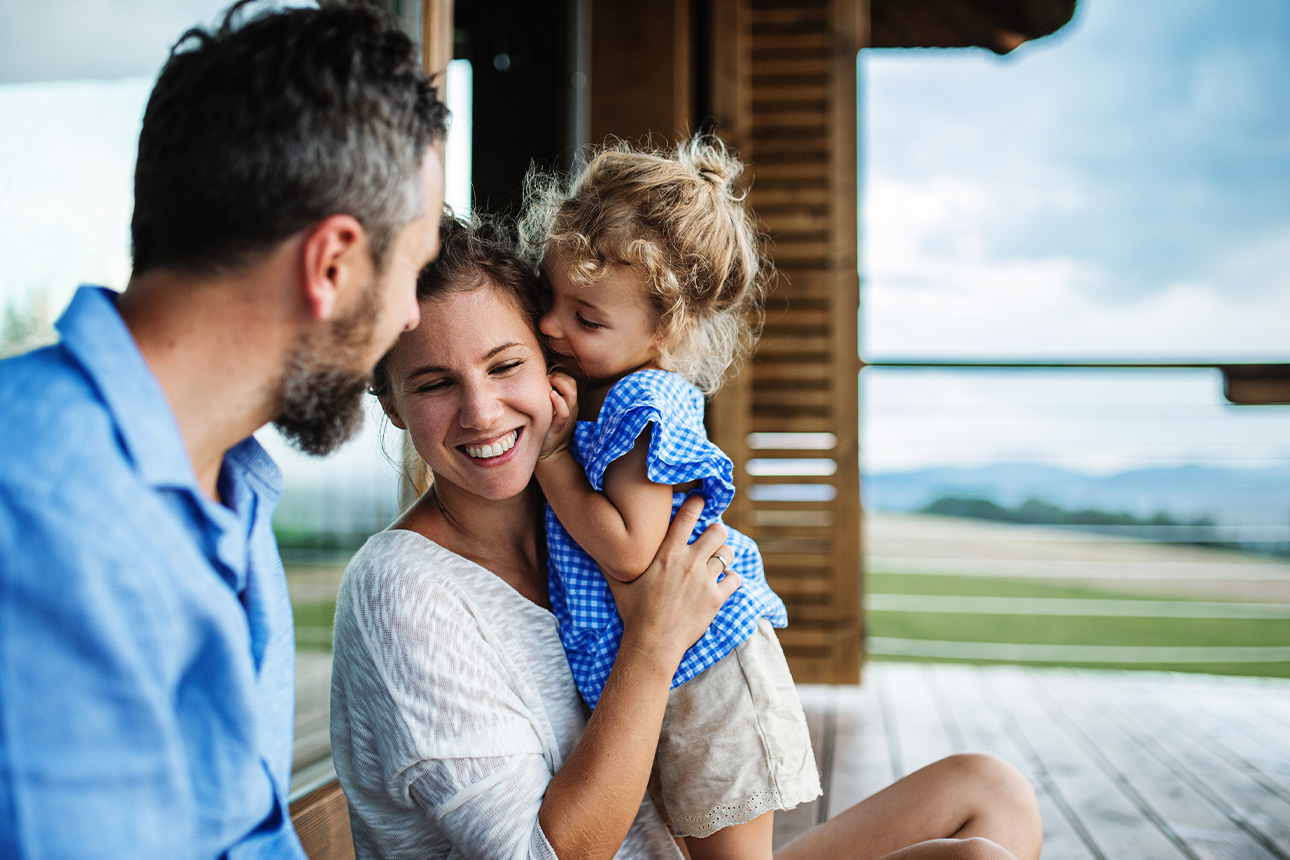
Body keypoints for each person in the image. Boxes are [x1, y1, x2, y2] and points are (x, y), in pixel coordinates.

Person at [330, 216, 1043, 860]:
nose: (483, 412)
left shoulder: (579, 527)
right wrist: (654, 638)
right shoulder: (404, 589)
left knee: (991, 789)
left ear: (555, 359)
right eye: (432, 383)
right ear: (390, 403)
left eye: (505, 364)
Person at [0, 2, 447, 857]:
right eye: (414, 270)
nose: (409, 315)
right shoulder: (40, 516)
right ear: (332, 264)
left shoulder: (229, 484)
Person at [520, 135, 815, 859]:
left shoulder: (645, 402)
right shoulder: (604, 389)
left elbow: (629, 549)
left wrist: (552, 457)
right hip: (676, 669)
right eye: (548, 300)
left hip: (711, 679)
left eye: (586, 319)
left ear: (668, 329)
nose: (553, 328)